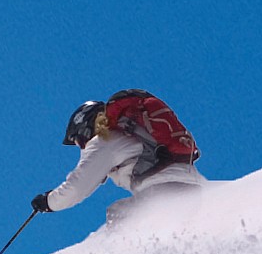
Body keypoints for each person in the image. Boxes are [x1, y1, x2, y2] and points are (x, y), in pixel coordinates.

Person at [31, 90, 205, 220]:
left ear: (84, 129)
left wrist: (49, 202)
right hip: (196, 190)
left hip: (161, 193)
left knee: (118, 214)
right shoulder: (136, 133)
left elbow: (77, 187)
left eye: (78, 142)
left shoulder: (104, 141)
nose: (81, 147)